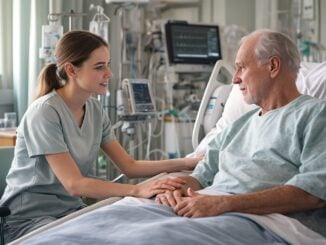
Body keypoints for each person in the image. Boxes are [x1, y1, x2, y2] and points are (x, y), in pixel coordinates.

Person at [0, 30, 201, 242]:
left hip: (69, 212)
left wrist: (188, 162)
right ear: (71, 70)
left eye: (107, 64)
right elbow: (74, 184)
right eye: (99, 67)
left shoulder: (94, 109)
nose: (109, 73)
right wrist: (137, 190)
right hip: (27, 220)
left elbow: (130, 166)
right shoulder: (45, 112)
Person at [155, 29, 326, 238]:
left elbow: (314, 191)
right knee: (120, 218)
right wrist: (174, 189)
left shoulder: (316, 115)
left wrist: (225, 204)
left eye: (241, 68)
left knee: (160, 238)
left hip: (269, 222)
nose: (235, 79)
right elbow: (201, 176)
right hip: (208, 207)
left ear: (273, 66)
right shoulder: (239, 125)